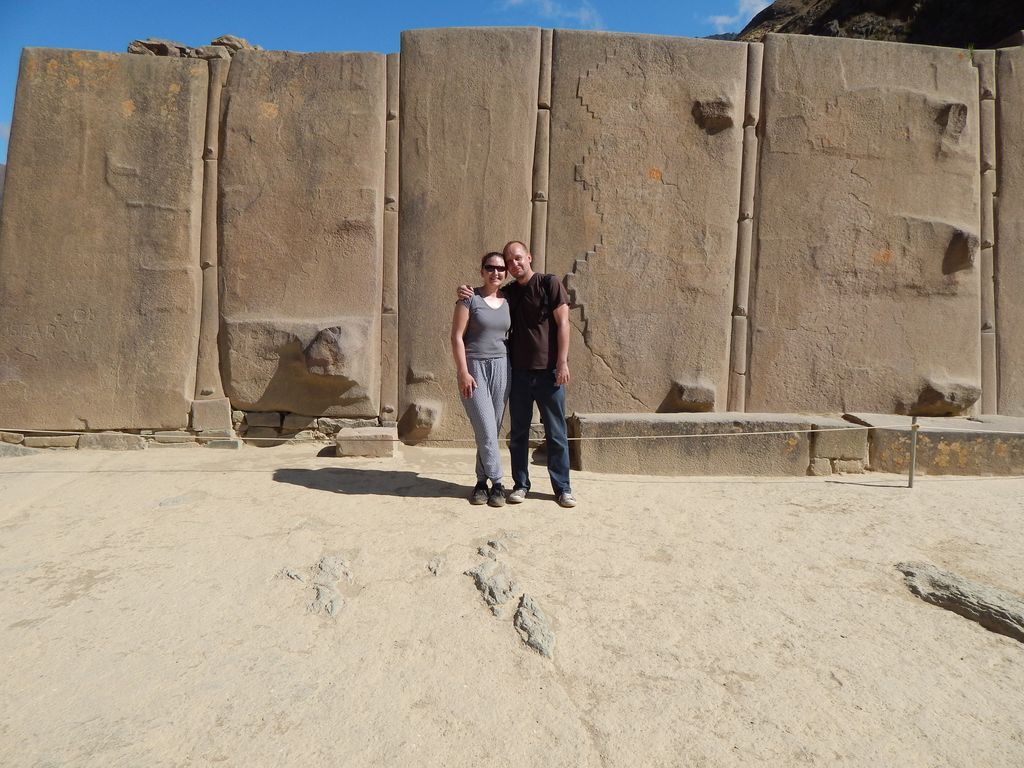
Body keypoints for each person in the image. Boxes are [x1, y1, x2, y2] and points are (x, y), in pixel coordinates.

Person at [459, 240, 577, 508]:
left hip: (550, 373)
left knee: (556, 433)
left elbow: (563, 324)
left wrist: (562, 362)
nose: (514, 264)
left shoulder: (549, 283)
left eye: (518, 258)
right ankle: (521, 484)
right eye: (509, 261)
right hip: (519, 373)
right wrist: (465, 291)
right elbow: (487, 294)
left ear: (529, 257)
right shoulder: (509, 292)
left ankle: (563, 488)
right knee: (519, 434)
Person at [451, 252, 512, 507]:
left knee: (490, 430)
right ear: (482, 271)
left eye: (501, 268)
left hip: (502, 367)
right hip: (474, 367)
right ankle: (497, 483)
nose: (495, 272)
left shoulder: (509, 299)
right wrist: (463, 371)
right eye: (490, 267)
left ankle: (480, 483)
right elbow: (456, 336)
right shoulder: (469, 299)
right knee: (486, 427)